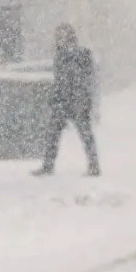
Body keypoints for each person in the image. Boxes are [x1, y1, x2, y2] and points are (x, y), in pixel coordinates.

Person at [34, 24, 100, 177]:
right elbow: (66, 80)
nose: (58, 39)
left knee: (71, 134)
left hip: (72, 101)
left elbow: (75, 80)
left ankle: (50, 166)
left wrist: (74, 97)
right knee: (61, 134)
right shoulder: (69, 55)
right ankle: (92, 165)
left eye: (61, 36)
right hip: (69, 101)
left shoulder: (75, 55)